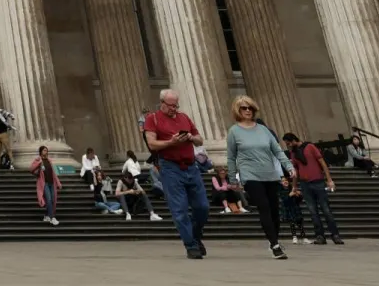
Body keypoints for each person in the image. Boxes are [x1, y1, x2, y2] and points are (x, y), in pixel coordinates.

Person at [225, 97, 295, 261]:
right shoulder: (234, 131)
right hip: (250, 175)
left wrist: (289, 167)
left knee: (274, 210)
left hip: (269, 174)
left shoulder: (264, 130)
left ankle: (273, 241)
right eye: (244, 108)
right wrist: (233, 179)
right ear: (238, 110)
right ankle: (275, 245)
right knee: (263, 206)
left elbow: (277, 151)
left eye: (250, 108)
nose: (248, 111)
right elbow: (231, 157)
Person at [144, 88, 209, 260]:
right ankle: (191, 245)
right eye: (171, 106)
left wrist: (190, 137)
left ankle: (195, 236)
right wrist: (171, 142)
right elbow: (152, 144)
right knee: (179, 210)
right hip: (170, 167)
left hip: (191, 166)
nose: (174, 108)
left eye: (176, 105)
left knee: (202, 207)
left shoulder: (184, 117)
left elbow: (200, 139)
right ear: (162, 104)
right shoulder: (153, 119)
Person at [283, 132, 343, 245]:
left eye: (289, 143)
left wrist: (329, 180)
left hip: (318, 181)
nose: (289, 146)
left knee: (326, 210)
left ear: (294, 140)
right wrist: (294, 186)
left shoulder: (310, 147)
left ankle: (335, 235)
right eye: (287, 144)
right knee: (313, 211)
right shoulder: (293, 153)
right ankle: (320, 236)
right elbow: (295, 171)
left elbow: (322, 163)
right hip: (305, 184)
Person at [114, 157, 161, 221]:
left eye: (131, 179)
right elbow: (117, 194)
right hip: (125, 200)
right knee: (121, 196)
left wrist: (137, 191)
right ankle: (127, 214)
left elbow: (143, 191)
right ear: (125, 178)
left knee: (143, 195)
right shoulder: (121, 181)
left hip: (133, 199)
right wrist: (128, 192)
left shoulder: (134, 181)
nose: (130, 181)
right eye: (129, 179)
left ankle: (152, 214)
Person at [31, 145, 61, 226]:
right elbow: (31, 169)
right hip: (44, 183)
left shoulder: (49, 160)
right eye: (44, 150)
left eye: (46, 150)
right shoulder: (38, 160)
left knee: (52, 200)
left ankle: (47, 215)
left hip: (52, 183)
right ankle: (52, 218)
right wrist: (39, 164)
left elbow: (53, 173)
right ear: (41, 152)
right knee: (48, 199)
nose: (46, 152)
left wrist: (58, 183)